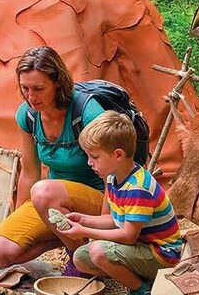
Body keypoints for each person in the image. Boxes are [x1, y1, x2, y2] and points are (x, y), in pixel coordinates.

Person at [0, 46, 109, 269]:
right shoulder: (28, 115)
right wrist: (20, 219)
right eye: (25, 89)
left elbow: (115, 176)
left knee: (43, 192)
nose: (31, 97)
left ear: (58, 82)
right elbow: (30, 171)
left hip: (99, 200)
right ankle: (64, 236)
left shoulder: (88, 113)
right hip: (52, 203)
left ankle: (79, 257)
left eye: (39, 89)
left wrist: (105, 228)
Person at [58, 111, 183, 294]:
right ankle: (141, 277)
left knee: (98, 251)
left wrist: (84, 231)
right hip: (140, 248)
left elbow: (128, 236)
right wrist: (82, 220)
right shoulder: (113, 178)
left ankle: (141, 289)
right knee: (81, 258)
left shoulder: (137, 188)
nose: (89, 163)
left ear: (118, 155)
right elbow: (115, 220)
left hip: (161, 255)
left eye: (95, 156)